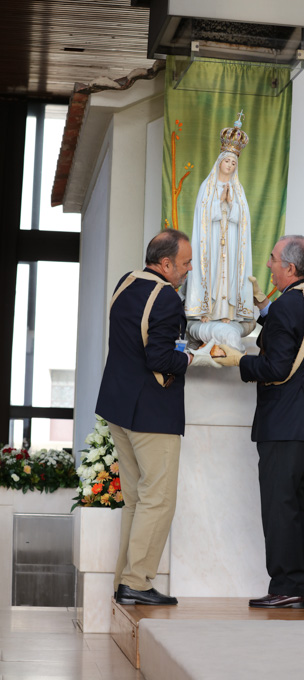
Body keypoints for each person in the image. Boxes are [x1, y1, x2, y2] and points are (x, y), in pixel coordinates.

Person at [95, 228, 219, 606]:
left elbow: (134, 342)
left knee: (136, 500)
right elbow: (160, 359)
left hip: (117, 406)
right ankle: (137, 581)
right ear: (165, 264)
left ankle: (124, 581)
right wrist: (195, 356)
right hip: (151, 412)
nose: (188, 269)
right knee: (159, 500)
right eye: (184, 263)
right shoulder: (165, 297)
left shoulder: (127, 282)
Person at [215, 235, 304, 608]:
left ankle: (286, 586)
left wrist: (238, 360)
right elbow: (302, 336)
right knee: (298, 504)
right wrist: (266, 307)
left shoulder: (288, 306)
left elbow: (277, 367)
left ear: (290, 267)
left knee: (279, 506)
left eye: (272, 259)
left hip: (285, 422)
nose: (268, 265)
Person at [183, 116, 255, 351]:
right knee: (212, 272)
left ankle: (227, 312)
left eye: (234, 163)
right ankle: (207, 311)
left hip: (231, 242)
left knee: (229, 274)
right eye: (227, 161)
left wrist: (231, 204)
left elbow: (242, 219)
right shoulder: (207, 187)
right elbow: (202, 217)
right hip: (212, 241)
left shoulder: (238, 190)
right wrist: (218, 203)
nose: (230, 166)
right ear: (219, 161)